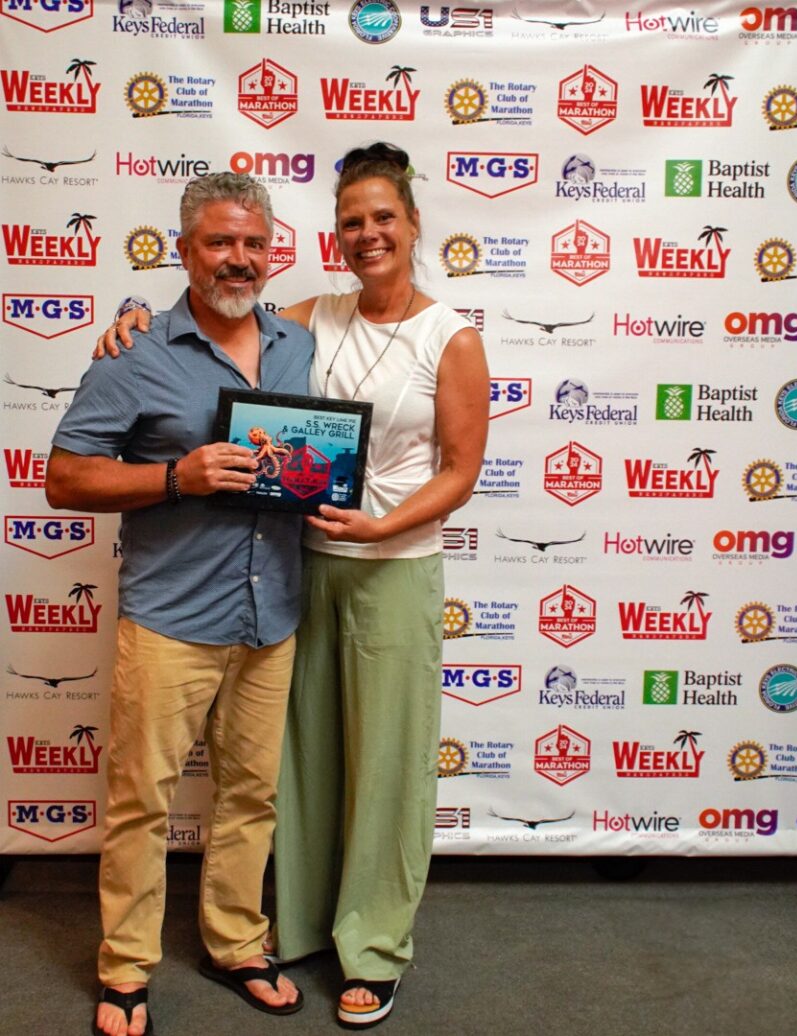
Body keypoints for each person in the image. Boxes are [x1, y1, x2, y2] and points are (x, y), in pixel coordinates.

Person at [98, 142, 491, 1029]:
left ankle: (376, 947)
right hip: (301, 575)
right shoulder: (311, 321)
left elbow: (462, 470)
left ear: (414, 223)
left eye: (383, 217)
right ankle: (300, 929)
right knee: (295, 775)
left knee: (383, 771)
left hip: (392, 570)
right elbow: (218, 319)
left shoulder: (449, 335)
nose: (367, 233)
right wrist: (128, 323)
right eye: (352, 221)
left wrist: (382, 525)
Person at [51, 172, 313, 1036]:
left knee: (250, 795)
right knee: (141, 803)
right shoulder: (134, 352)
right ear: (184, 250)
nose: (238, 259)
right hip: (170, 618)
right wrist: (175, 476)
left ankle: (237, 942)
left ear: (273, 254)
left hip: (272, 611)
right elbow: (64, 478)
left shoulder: (297, 343)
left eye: (253, 243)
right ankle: (125, 969)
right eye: (218, 242)